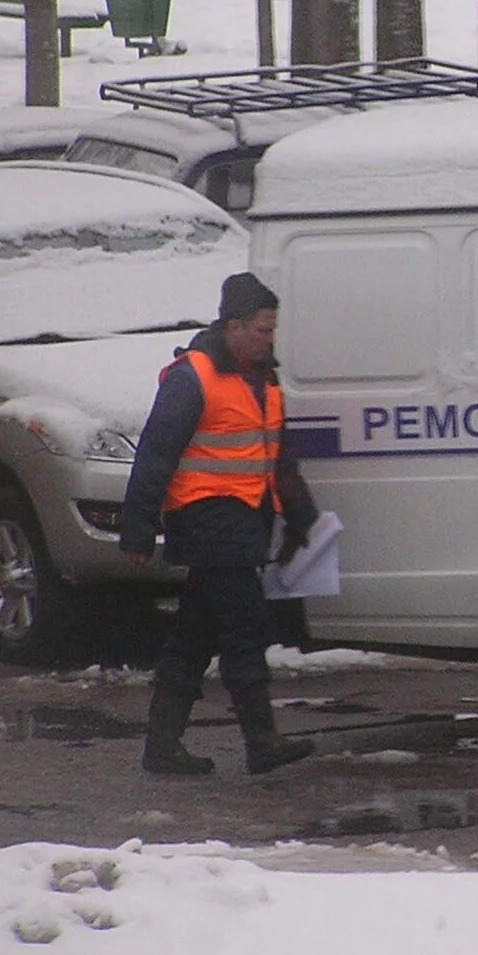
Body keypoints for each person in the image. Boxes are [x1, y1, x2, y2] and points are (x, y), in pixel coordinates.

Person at [121, 272, 318, 776]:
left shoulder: (265, 380)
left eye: (273, 331)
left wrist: (299, 513)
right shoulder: (194, 377)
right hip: (206, 517)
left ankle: (162, 746)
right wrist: (138, 527)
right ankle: (261, 743)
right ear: (232, 326)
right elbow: (155, 454)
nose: (269, 340)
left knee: (195, 633)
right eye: (261, 330)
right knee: (243, 628)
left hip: (244, 520)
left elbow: (278, 456)